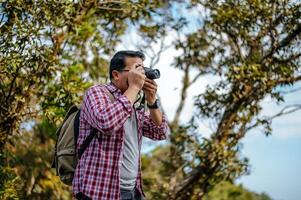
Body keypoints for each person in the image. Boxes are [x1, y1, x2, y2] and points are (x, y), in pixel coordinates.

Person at [72, 50, 169, 200]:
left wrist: (152, 100)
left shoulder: (133, 104)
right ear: (116, 75)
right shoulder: (97, 93)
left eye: (142, 70)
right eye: (136, 70)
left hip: (131, 190)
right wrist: (134, 88)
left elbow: (160, 131)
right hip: (98, 191)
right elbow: (107, 123)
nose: (141, 76)